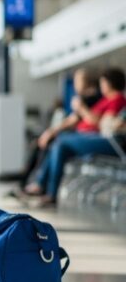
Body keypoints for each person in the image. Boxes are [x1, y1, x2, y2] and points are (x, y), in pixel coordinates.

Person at [25, 67, 126, 205]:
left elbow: (103, 124)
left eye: (103, 82)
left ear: (109, 83)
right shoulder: (105, 100)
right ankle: (48, 191)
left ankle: (42, 186)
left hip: (106, 141)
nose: (101, 86)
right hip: (89, 137)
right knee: (59, 147)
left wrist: (81, 108)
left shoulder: (118, 99)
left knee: (60, 141)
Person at [18, 68, 100, 190]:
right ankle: (34, 182)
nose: (75, 84)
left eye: (78, 80)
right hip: (81, 136)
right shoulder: (87, 98)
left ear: (87, 82)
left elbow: (74, 120)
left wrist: (52, 132)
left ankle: (35, 183)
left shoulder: (89, 98)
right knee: (49, 144)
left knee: (53, 144)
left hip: (86, 137)